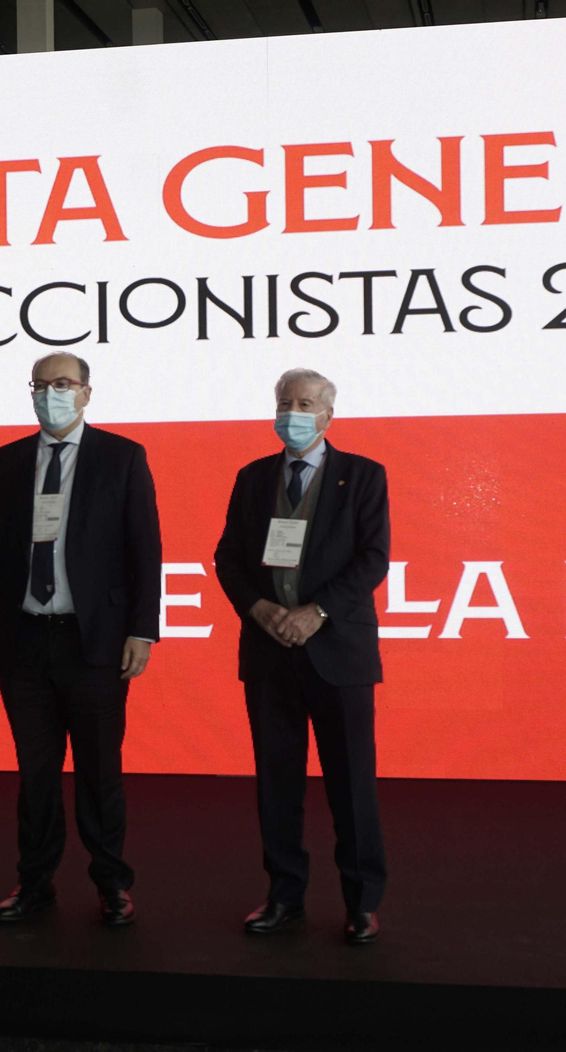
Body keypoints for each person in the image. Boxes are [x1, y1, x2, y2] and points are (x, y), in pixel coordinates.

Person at [0, 352, 162, 928]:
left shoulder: (122, 457)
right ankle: (35, 883)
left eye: (64, 384)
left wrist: (141, 630)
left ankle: (111, 884)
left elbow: (143, 549)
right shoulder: (2, 462)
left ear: (86, 393)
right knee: (36, 773)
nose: (52, 393)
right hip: (22, 639)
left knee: (101, 770)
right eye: (42, 385)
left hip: (93, 642)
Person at [212, 368, 390, 944]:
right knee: (277, 783)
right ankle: (283, 896)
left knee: (351, 785)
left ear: (328, 415)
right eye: (285, 402)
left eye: (306, 403)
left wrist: (316, 613)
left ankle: (361, 903)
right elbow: (229, 557)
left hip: (337, 650)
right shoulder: (253, 477)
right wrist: (258, 610)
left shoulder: (363, 476)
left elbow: (373, 559)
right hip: (268, 652)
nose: (294, 411)